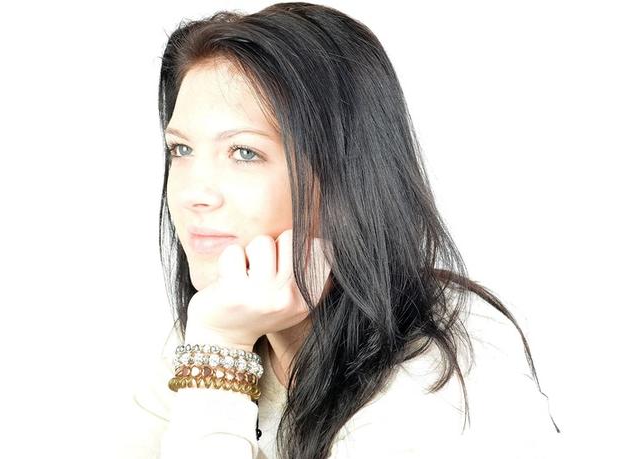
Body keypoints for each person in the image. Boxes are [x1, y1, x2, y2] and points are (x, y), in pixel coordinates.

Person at [126, 2, 561, 458]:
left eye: (244, 153)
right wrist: (218, 343)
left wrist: (220, 349)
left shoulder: (441, 376)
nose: (193, 193)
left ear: (345, 174)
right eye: (181, 149)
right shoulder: (221, 321)